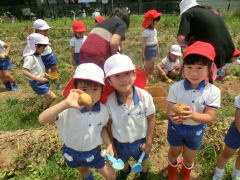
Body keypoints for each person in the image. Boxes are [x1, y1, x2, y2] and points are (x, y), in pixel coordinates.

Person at [38, 63, 116, 180]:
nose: (90, 94)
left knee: (111, 176)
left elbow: (102, 128)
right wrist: (65, 104)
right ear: (75, 89)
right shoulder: (68, 109)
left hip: (93, 152)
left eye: (95, 89)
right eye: (84, 89)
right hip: (71, 152)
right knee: (84, 171)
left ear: (102, 90)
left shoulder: (103, 110)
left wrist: (109, 144)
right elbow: (42, 119)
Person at [166, 41, 221, 180]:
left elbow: (210, 117)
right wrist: (173, 117)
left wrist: (193, 115)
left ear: (209, 69)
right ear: (183, 68)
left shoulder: (213, 91)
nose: (193, 73)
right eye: (189, 67)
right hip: (176, 127)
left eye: (199, 67)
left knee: (189, 157)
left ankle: (186, 174)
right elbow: (170, 111)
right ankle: (172, 172)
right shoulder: (175, 88)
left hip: (196, 129)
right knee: (174, 151)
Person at [104, 54, 156, 180]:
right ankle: (125, 170)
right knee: (122, 160)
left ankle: (144, 173)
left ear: (134, 74)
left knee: (143, 159)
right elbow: (109, 125)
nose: (123, 79)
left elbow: (151, 118)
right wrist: (111, 144)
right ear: (109, 81)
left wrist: (148, 142)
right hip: (120, 142)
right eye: (117, 76)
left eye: (127, 73)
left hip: (141, 140)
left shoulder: (144, 96)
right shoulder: (109, 102)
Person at [177, 0, 235, 83]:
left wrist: (187, 47)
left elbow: (181, 38)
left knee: (198, 77)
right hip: (228, 51)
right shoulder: (211, 12)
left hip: (213, 53)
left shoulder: (188, 13)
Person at [22, 33, 56, 108]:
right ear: (36, 46)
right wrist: (38, 79)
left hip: (41, 80)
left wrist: (45, 73)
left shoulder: (38, 55)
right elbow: (25, 71)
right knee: (53, 97)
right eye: (43, 47)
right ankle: (43, 109)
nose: (44, 49)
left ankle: (45, 107)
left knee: (48, 97)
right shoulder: (30, 58)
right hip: (37, 82)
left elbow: (38, 67)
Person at [212, 95, 240, 180]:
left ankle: (236, 174)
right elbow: (238, 121)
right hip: (237, 131)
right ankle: (218, 175)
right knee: (227, 153)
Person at [33, 19, 62, 89]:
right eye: (44, 30)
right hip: (41, 56)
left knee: (53, 68)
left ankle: (57, 82)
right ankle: (47, 83)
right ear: (37, 30)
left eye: (47, 30)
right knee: (45, 70)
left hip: (49, 54)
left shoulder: (45, 36)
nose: (46, 32)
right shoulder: (34, 38)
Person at [141, 9, 162, 77]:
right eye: (156, 21)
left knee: (153, 63)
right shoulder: (146, 31)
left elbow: (156, 40)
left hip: (154, 48)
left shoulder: (154, 30)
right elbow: (143, 44)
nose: (158, 23)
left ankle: (151, 74)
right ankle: (146, 76)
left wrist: (158, 49)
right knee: (148, 64)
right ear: (151, 21)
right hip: (149, 49)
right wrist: (143, 54)